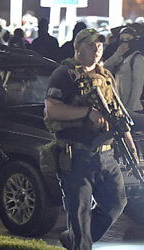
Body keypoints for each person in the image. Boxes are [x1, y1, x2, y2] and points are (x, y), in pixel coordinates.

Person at [44, 29, 135, 250]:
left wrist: (130, 146)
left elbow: (117, 114)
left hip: (106, 155)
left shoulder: (106, 76)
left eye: (100, 45)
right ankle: (80, 242)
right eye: (92, 45)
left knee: (116, 203)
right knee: (80, 214)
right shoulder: (64, 74)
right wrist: (87, 113)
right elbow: (52, 110)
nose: (97, 49)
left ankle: (74, 240)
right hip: (76, 156)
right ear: (78, 47)